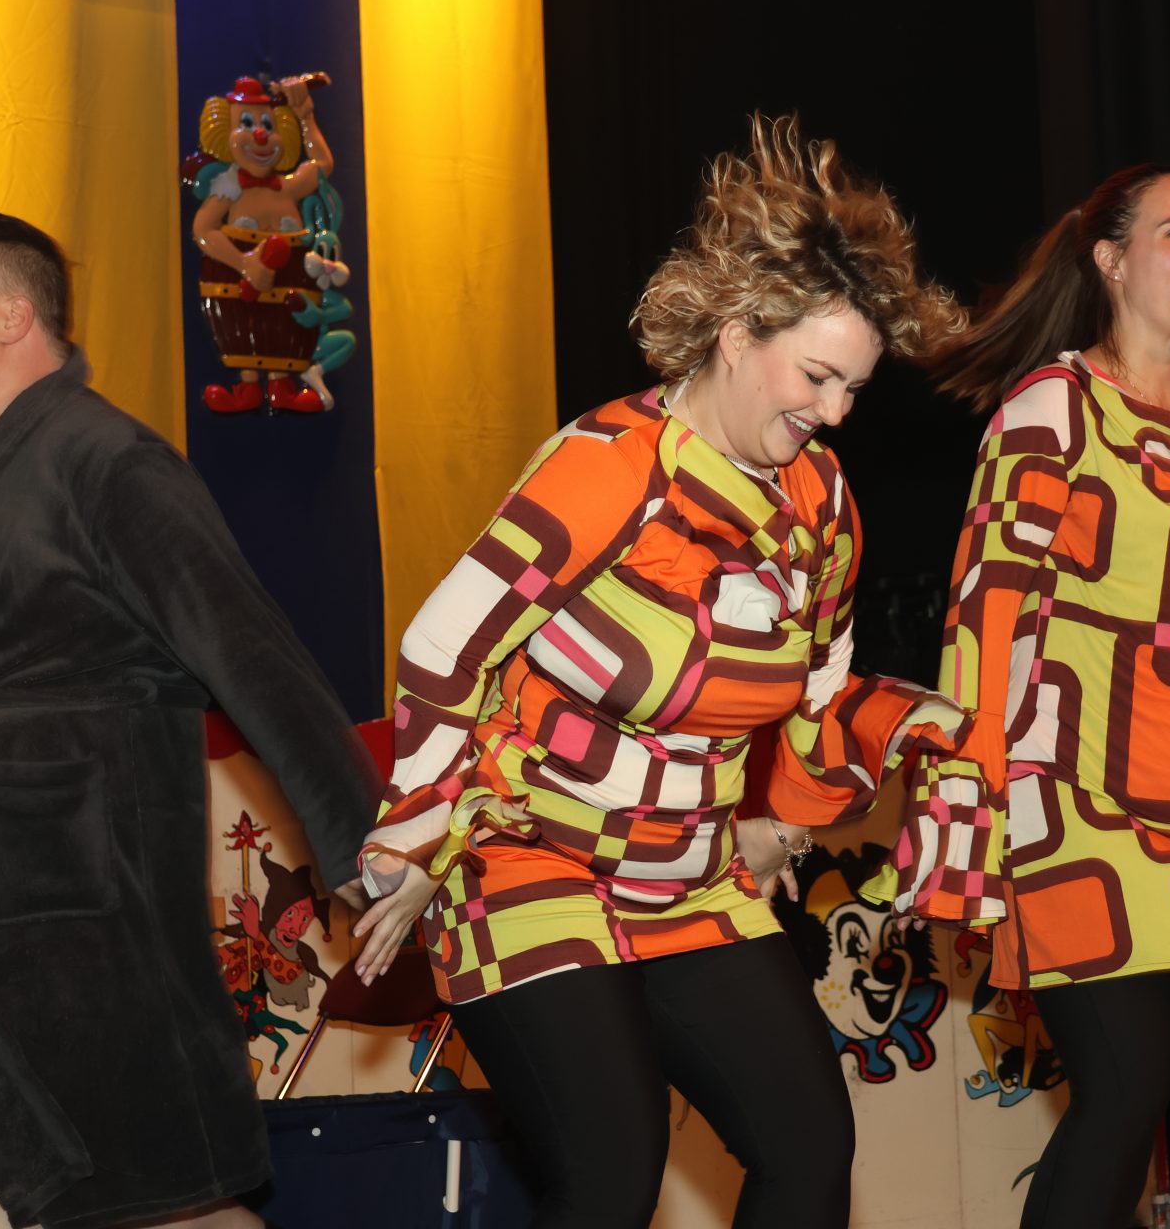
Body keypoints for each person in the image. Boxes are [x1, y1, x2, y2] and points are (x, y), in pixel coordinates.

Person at [351, 114, 969, 1228]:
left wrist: (794, 814)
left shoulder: (823, 502)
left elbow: (819, 688)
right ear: (736, 334)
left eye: (854, 389)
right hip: (528, 857)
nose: (834, 413)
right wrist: (412, 832)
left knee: (810, 1148)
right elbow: (444, 648)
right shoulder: (605, 471)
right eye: (818, 376)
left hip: (692, 878)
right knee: (612, 1167)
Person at [0, 208, 379, 1228]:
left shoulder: (103, 460)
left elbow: (254, 657)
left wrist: (365, 841)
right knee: (11, 1184)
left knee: (101, 1194)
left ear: (12, 315)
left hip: (46, 907)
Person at [868, 165, 1170, 1228]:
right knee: (1124, 1093)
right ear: (1111, 260)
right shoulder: (1052, 408)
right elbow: (987, 612)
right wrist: (965, 806)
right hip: (1080, 804)